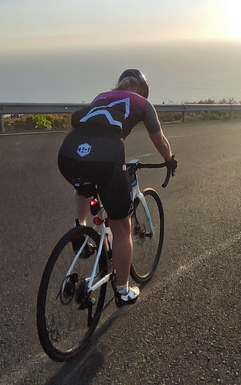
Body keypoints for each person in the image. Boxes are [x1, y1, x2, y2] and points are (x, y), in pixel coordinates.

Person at [57, 69, 176, 307]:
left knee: (84, 182)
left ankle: (80, 228)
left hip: (69, 153)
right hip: (106, 157)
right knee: (122, 226)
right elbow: (160, 140)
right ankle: (122, 291)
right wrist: (169, 159)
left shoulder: (101, 97)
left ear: (120, 84)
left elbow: (95, 132)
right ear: (142, 90)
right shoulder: (142, 103)